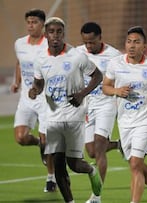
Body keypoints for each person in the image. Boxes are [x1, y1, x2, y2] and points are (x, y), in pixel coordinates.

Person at [28, 17, 103, 203]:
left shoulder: (76, 55)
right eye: (51, 32)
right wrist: (35, 89)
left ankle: (92, 170)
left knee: (75, 164)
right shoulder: (40, 59)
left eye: (59, 32)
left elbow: (97, 76)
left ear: (63, 34)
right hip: (52, 117)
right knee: (59, 165)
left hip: (74, 116)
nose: (55, 36)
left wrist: (82, 93)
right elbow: (39, 81)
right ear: (46, 35)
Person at [102, 26, 147, 203]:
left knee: (135, 164)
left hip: (145, 120)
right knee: (136, 164)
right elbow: (105, 87)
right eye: (129, 41)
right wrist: (117, 90)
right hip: (124, 122)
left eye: (136, 42)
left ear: (144, 46)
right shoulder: (115, 64)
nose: (131, 46)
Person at [10, 8, 56, 192]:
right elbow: (19, 62)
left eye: (34, 22)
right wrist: (17, 81)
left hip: (45, 99)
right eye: (28, 22)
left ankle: (51, 178)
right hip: (26, 98)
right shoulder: (20, 43)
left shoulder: (50, 44)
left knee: (49, 140)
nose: (31, 25)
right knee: (21, 138)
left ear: (43, 25)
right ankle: (38, 143)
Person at [77, 22, 122, 203]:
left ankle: (96, 196)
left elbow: (121, 80)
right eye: (86, 42)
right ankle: (119, 145)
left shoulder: (114, 56)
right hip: (88, 106)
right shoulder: (78, 53)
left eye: (92, 42)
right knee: (91, 151)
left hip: (107, 105)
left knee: (100, 147)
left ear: (100, 38)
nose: (89, 46)